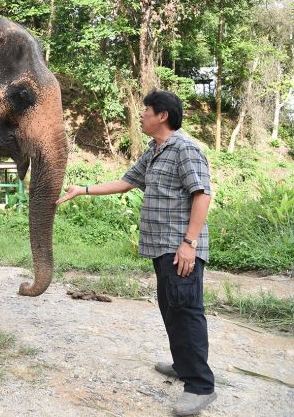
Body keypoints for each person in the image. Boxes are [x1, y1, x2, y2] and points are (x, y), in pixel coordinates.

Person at [57, 90, 217, 417]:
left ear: (162, 116)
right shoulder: (155, 151)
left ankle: (200, 385)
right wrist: (82, 190)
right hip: (161, 248)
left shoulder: (185, 149)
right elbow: (126, 182)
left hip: (180, 248)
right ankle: (184, 364)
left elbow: (202, 195)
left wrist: (190, 243)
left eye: (146, 111)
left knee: (186, 311)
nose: (141, 116)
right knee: (171, 308)